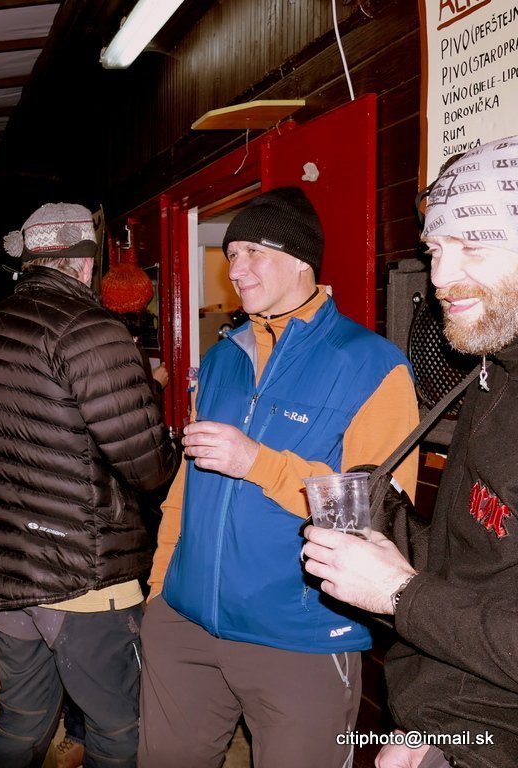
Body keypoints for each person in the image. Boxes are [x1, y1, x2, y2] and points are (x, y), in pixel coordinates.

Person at [139, 186, 420, 768]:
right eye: (230, 254)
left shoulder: (372, 364)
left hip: (300, 637)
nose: (235, 269)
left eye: (253, 252)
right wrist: (160, 589)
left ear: (301, 261)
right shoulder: (223, 358)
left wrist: (258, 463)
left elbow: (374, 515)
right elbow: (186, 487)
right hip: (184, 624)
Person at [302, 136, 518, 768]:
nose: (441, 278)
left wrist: (399, 593)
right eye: (435, 250)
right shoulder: (490, 373)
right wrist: (387, 522)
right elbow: (477, 571)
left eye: (472, 245)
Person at [0, 202, 177, 767]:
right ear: (85, 262)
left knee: (23, 720)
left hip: (3, 569)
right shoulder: (91, 329)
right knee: (119, 727)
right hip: (83, 574)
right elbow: (148, 466)